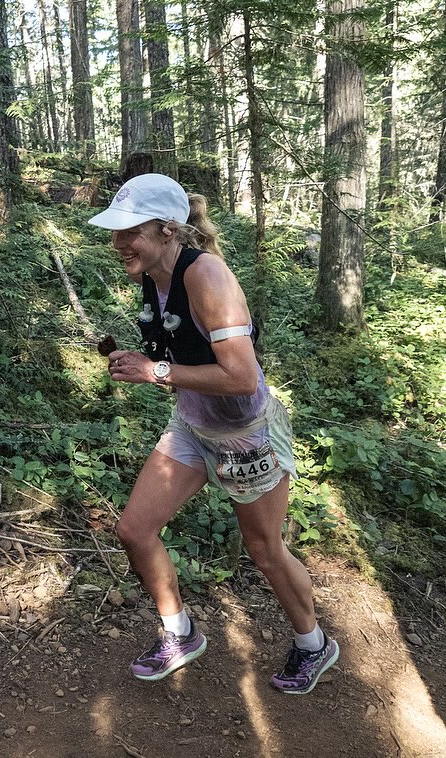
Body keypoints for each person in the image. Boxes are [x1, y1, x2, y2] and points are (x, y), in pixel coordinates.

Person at [88, 173, 339, 695]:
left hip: (245, 432)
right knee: (134, 530)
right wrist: (143, 363)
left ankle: (314, 644)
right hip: (192, 423)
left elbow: (242, 376)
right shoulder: (151, 279)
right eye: (115, 232)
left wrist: (155, 372)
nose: (118, 243)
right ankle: (179, 634)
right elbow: (182, 358)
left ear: (167, 230)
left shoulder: (208, 277)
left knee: (265, 550)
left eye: (128, 231)